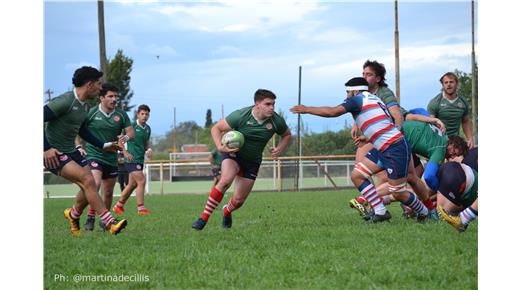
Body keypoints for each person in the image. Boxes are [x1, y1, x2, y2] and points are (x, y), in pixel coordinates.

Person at [291, 77, 429, 223]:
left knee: (398, 192)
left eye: (347, 92)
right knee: (357, 175)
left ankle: (424, 212)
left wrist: (306, 109)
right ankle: (380, 211)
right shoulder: (374, 99)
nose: (346, 97)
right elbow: (383, 124)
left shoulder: (357, 99)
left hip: (393, 147)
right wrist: (368, 138)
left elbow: (332, 112)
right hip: (385, 146)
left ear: (355, 90)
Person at [43, 66, 128, 236]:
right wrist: (46, 149)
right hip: (54, 153)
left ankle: (73, 214)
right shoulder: (65, 101)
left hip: (71, 151)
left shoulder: (84, 106)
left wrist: (104, 145)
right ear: (89, 85)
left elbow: (82, 131)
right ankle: (110, 222)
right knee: (88, 180)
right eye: (98, 84)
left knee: (89, 185)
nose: (100, 88)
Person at [192, 89, 292, 230]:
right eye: (268, 104)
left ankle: (227, 211)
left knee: (238, 201)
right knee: (225, 180)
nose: (272, 108)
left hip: (252, 162)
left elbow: (287, 134)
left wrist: (279, 149)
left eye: (273, 104)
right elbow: (216, 128)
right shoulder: (241, 115)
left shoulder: (276, 121)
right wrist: (220, 146)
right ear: (257, 104)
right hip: (234, 155)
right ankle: (203, 219)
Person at [76, 83, 134, 231]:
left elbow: (131, 133)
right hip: (94, 154)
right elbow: (76, 130)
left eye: (116, 96)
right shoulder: (91, 113)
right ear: (101, 98)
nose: (114, 99)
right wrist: (79, 146)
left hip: (111, 158)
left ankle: (105, 221)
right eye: (110, 96)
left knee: (108, 193)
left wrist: (124, 139)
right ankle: (89, 216)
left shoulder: (121, 115)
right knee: (94, 184)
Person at [349, 60, 404, 209]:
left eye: (369, 74)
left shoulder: (384, 93)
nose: (365, 77)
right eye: (363, 74)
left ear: (378, 79)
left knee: (407, 179)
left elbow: (397, 116)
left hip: (395, 139)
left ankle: (424, 209)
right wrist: (356, 124)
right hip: (380, 139)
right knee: (360, 168)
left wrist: (396, 134)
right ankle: (377, 206)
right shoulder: (363, 94)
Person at [113, 104, 153, 215]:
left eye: (147, 114)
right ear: (138, 114)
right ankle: (141, 209)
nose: (144, 116)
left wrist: (149, 149)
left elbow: (146, 142)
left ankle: (118, 206)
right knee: (142, 180)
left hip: (140, 159)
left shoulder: (148, 128)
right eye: (142, 114)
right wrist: (125, 153)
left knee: (132, 185)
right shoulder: (131, 126)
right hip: (131, 159)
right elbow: (120, 141)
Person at [427, 72, 473, 147]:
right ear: (443, 85)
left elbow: (465, 121)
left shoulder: (463, 102)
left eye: (451, 82)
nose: (448, 84)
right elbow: (430, 124)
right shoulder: (435, 102)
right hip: (439, 141)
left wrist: (470, 139)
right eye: (446, 82)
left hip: (455, 141)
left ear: (457, 84)